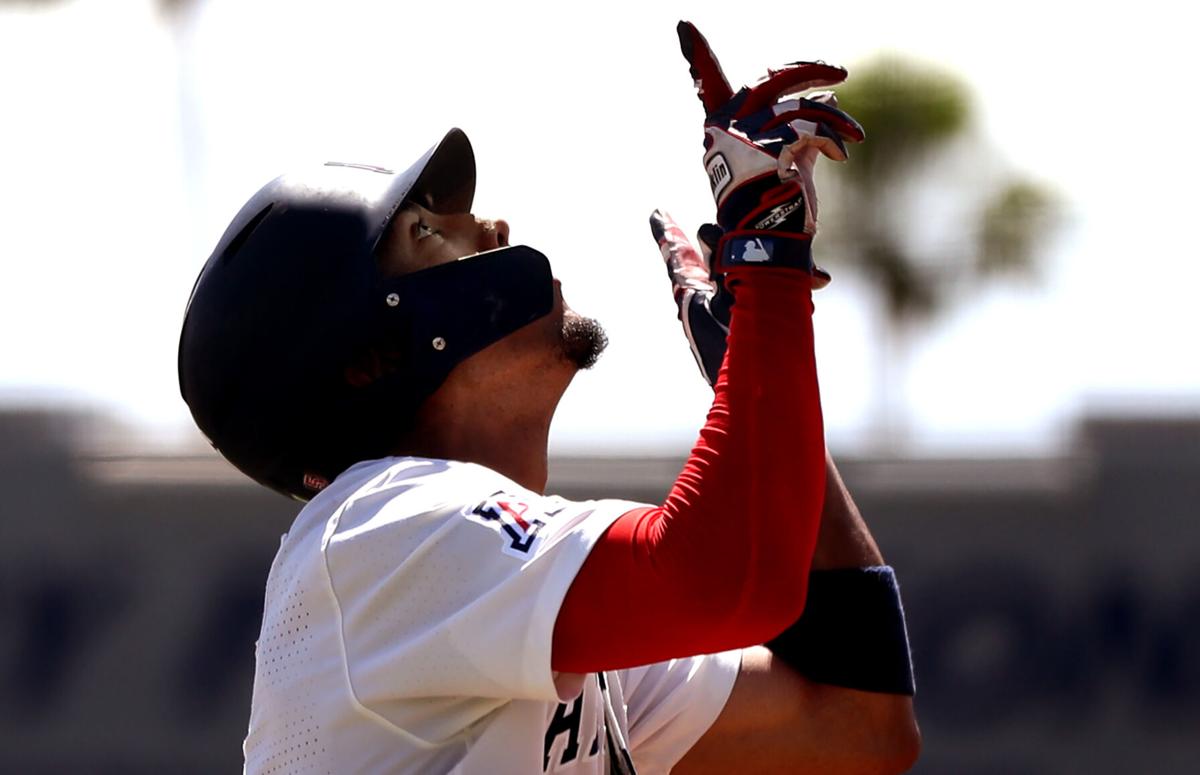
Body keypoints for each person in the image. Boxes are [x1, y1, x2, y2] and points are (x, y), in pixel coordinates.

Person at [178, 22, 920, 775]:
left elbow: (859, 726)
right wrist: (766, 264)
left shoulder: (494, 598)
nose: (489, 226)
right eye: (428, 231)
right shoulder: (376, 526)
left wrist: (757, 368)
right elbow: (725, 579)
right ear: (370, 360)